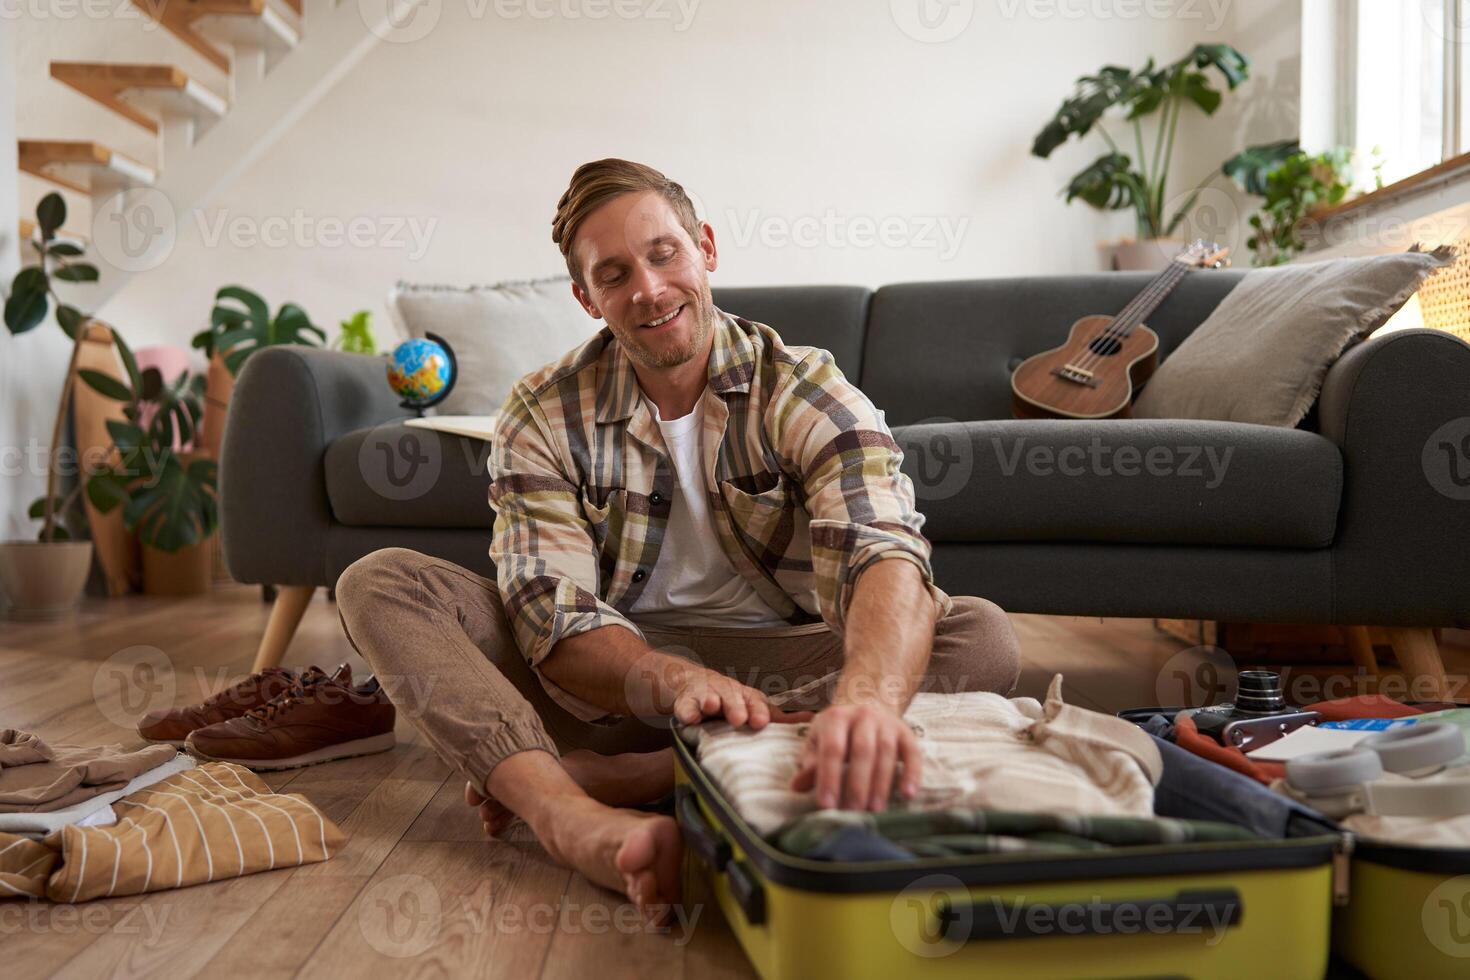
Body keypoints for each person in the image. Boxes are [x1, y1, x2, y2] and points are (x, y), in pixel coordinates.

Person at [336, 158, 1020, 922]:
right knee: (382, 581)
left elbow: (881, 546)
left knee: (978, 636)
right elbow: (549, 613)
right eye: (615, 273)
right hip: (607, 681)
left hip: (778, 669)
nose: (649, 290)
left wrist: (866, 700)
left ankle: (643, 776)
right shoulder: (542, 408)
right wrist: (671, 681)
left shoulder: (803, 385)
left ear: (706, 248)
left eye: (664, 255)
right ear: (586, 298)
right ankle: (570, 817)